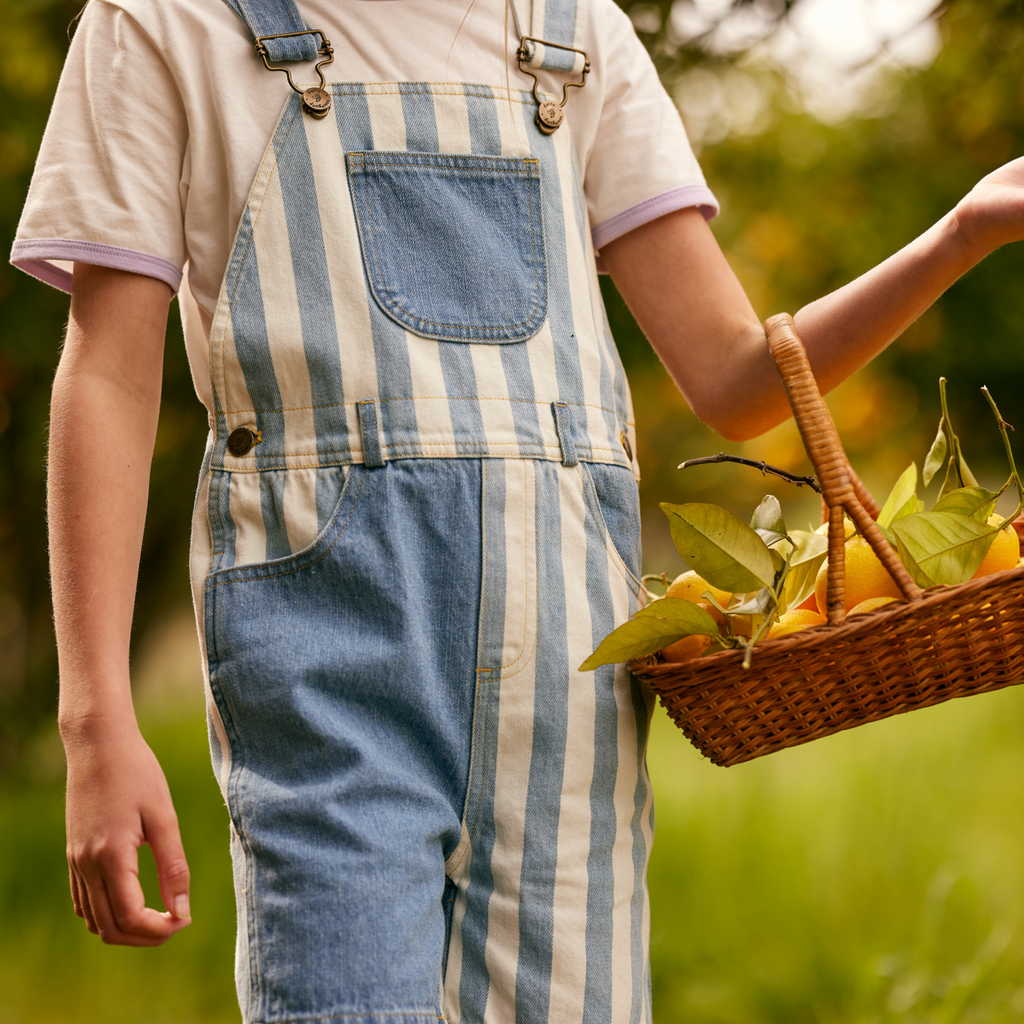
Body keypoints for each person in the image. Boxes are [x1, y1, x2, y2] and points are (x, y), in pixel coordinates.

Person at [11, 0, 1024, 1020]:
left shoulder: (574, 30)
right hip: (328, 681)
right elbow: (107, 371)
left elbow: (737, 379)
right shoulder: (164, 22)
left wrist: (959, 234)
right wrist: (95, 717)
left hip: (565, 701)